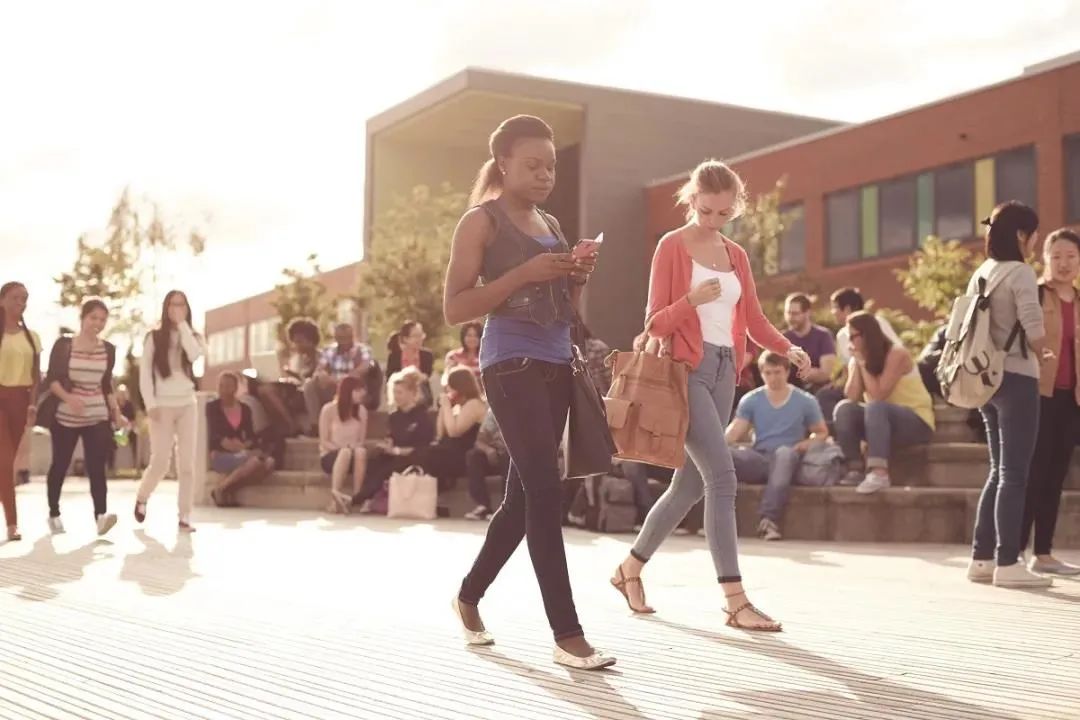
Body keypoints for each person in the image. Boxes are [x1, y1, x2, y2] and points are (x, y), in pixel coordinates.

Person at [442, 115, 614, 669]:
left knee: (525, 500)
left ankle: (467, 598)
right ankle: (568, 636)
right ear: (504, 165)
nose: (544, 175)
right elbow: (455, 308)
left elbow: (564, 307)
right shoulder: (481, 222)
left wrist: (576, 274)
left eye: (551, 165)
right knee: (543, 493)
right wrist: (525, 272)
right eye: (532, 164)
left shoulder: (552, 222)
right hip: (509, 365)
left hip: (557, 364)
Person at [611, 159, 810, 632]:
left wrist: (788, 347)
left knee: (691, 484)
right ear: (692, 199)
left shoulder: (736, 254)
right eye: (706, 210)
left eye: (724, 213)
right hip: (688, 371)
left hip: (726, 372)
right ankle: (736, 600)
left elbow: (755, 319)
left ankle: (630, 569)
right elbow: (654, 322)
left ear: (735, 207)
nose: (714, 220)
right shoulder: (671, 246)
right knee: (722, 477)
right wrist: (693, 301)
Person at [962, 202, 1051, 589]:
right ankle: (1008, 562)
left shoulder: (982, 272)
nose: (1034, 242)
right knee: (1015, 473)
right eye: (1033, 235)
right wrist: (1043, 350)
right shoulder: (1020, 272)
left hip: (985, 380)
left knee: (998, 471)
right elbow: (1032, 321)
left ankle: (981, 559)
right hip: (1016, 376)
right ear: (1020, 235)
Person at [1021, 228, 1080, 575]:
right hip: (1038, 395)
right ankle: (1013, 550)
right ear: (1044, 259)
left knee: (1056, 475)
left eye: (1070, 256)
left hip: (1071, 400)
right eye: (1055, 256)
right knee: (1033, 473)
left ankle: (1042, 553)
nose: (1063, 263)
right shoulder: (1036, 295)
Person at [727, 352, 829, 541]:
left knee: (783, 453)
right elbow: (734, 433)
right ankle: (711, 520)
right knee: (722, 457)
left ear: (787, 371)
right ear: (761, 373)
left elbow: (821, 433)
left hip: (789, 458)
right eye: (768, 373)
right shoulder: (751, 399)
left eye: (777, 372)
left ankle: (768, 521)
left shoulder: (806, 401)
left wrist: (804, 444)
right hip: (759, 458)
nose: (773, 377)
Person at [44, 298, 123, 536]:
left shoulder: (107, 349)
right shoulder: (64, 345)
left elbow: (106, 384)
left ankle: (101, 515)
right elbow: (52, 380)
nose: (97, 323)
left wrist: (115, 411)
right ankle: (54, 512)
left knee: (97, 465)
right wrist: (69, 399)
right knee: (60, 464)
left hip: (97, 413)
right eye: (93, 318)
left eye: (102, 319)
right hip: (66, 415)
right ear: (83, 318)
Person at [833, 311, 934, 493]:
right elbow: (852, 397)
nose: (849, 343)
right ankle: (855, 468)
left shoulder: (897, 354)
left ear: (866, 335)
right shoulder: (859, 359)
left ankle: (879, 472)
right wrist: (857, 364)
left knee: (876, 407)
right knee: (844, 409)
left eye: (852, 336)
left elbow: (879, 395)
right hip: (881, 424)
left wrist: (863, 364)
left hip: (916, 421)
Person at [135, 290, 206, 532]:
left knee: (187, 463)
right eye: (173, 305)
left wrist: (183, 326)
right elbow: (144, 373)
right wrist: (150, 405)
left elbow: (196, 355)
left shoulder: (193, 335)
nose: (177, 309)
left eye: (182, 305)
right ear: (166, 308)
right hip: (162, 405)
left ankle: (185, 515)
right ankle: (142, 498)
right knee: (161, 462)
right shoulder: (154, 338)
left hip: (187, 403)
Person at [350, 368, 434, 512]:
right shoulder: (394, 416)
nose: (396, 396)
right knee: (375, 458)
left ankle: (357, 499)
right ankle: (367, 498)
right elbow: (392, 437)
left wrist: (397, 451)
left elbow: (423, 447)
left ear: (412, 393)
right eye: (394, 392)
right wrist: (387, 445)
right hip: (394, 454)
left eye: (400, 393)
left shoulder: (422, 417)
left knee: (388, 468)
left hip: (413, 457)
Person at [0, 282, 42, 542]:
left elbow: (36, 376)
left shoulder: (32, 337)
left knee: (5, 464)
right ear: (2, 300)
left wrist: (32, 404)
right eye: (16, 297)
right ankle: (12, 523)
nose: (21, 302)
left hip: (20, 401)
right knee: (4, 461)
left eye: (25, 298)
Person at [206, 371, 275, 507]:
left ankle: (228, 487)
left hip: (242, 452)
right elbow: (215, 436)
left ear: (235, 388)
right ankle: (220, 490)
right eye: (221, 386)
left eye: (227, 386)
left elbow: (251, 436)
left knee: (269, 463)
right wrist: (230, 445)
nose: (223, 390)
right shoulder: (212, 407)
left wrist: (246, 445)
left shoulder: (245, 409)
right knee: (254, 462)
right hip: (221, 454)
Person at [423, 366, 487, 499]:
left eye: (450, 388)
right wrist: (444, 409)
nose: (448, 391)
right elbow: (440, 434)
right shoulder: (458, 406)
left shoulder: (474, 404)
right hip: (452, 450)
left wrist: (446, 406)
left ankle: (440, 489)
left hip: (466, 452)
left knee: (432, 455)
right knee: (429, 451)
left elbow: (454, 432)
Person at [252, 318, 321, 437]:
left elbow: (313, 381)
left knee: (270, 393)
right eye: (294, 341)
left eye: (300, 341)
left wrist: (296, 376)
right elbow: (295, 380)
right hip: (294, 390)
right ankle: (286, 427)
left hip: (308, 394)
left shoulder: (321, 357)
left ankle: (291, 427)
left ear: (311, 341)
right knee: (264, 390)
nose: (296, 345)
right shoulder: (296, 359)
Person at [304, 323, 372, 435]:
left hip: (354, 387)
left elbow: (365, 367)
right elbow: (319, 369)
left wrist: (345, 379)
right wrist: (323, 375)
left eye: (347, 338)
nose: (344, 341)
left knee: (350, 384)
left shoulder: (363, 350)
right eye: (340, 338)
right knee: (309, 385)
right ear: (335, 337)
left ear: (352, 337)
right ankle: (315, 425)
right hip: (333, 386)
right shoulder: (329, 351)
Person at [318, 374, 369, 515]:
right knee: (345, 453)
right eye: (358, 390)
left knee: (361, 451)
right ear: (348, 391)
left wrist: (353, 447)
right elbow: (324, 441)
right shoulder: (328, 409)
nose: (362, 394)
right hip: (331, 454)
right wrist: (342, 449)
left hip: (353, 453)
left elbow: (361, 441)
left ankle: (357, 498)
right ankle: (335, 499)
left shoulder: (362, 411)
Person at [782, 293, 836, 391]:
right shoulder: (783, 338)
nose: (790, 317)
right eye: (787, 313)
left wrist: (793, 372)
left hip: (818, 389)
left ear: (807, 313)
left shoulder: (823, 336)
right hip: (789, 390)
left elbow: (825, 374)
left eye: (795, 313)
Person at [463, 408, 509, 521]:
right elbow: (479, 441)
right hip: (494, 454)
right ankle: (483, 505)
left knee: (509, 458)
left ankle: (507, 507)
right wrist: (488, 450)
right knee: (473, 456)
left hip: (513, 455)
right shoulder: (494, 412)